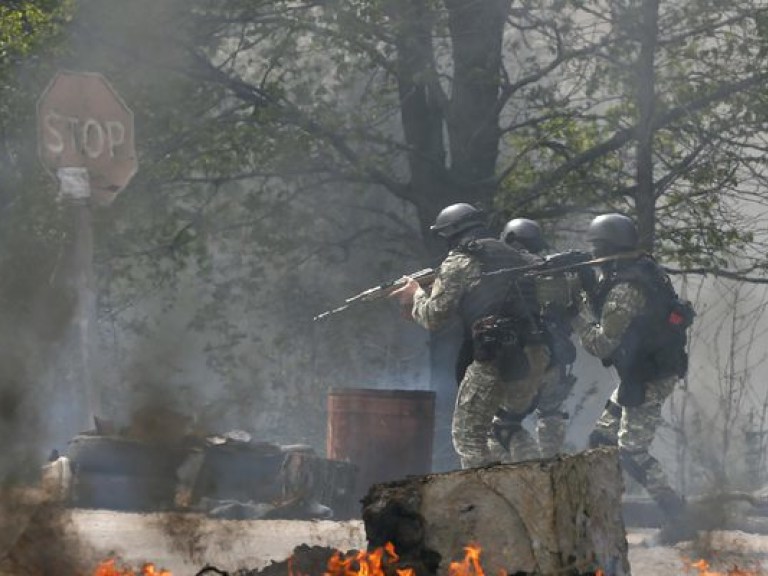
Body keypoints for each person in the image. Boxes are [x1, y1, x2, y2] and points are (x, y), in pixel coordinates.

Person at [390, 203, 552, 467]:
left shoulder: (460, 260)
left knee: (468, 439)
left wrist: (415, 294)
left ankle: (481, 502)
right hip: (534, 354)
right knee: (504, 429)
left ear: (452, 232)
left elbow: (433, 317)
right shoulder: (513, 254)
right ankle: (530, 490)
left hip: (496, 356)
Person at [571, 213, 695, 544]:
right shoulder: (642, 269)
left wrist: (578, 309)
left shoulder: (625, 287)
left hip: (649, 376)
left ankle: (678, 516)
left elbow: (601, 343)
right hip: (642, 371)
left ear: (605, 248)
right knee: (601, 439)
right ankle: (596, 513)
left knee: (631, 451)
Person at [501, 218, 578, 458]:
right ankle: (552, 466)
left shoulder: (506, 272)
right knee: (551, 413)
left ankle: (529, 469)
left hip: (523, 356)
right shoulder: (554, 272)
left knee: (504, 422)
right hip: (556, 353)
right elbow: (572, 310)